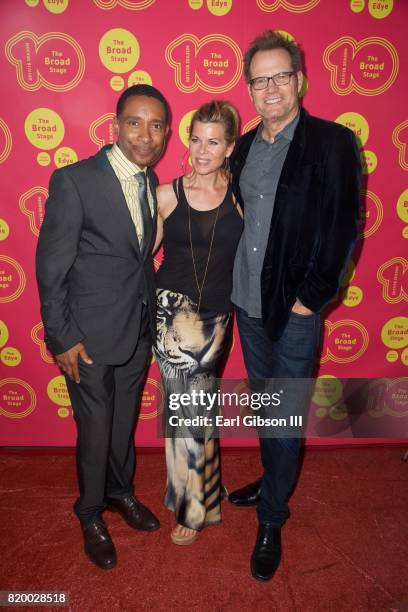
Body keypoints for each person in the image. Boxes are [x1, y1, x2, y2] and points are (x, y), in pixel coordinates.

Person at [227, 31, 361, 581]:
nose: (271, 88)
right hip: (247, 306)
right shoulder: (243, 148)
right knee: (266, 407)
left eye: (281, 76)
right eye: (260, 80)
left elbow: (342, 229)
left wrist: (310, 301)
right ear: (250, 90)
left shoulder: (332, 142)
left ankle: (272, 516)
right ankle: (273, 475)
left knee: (284, 414)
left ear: (300, 80)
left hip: (295, 311)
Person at [36, 84, 169, 570]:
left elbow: (137, 258)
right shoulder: (75, 180)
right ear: (116, 125)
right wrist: (61, 337)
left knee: (122, 423)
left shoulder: (151, 183)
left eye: (156, 125)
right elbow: (51, 267)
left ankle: (120, 494)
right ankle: (89, 511)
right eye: (135, 122)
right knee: (94, 428)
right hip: (86, 337)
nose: (145, 135)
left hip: (135, 329)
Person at [153, 100, 243, 545]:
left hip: (216, 317)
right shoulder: (166, 193)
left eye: (213, 142)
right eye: (196, 139)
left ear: (229, 148)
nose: (202, 151)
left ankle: (200, 485)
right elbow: (139, 255)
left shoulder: (242, 196)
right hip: (170, 313)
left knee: (197, 410)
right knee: (186, 411)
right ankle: (193, 508)